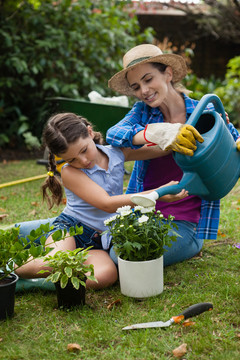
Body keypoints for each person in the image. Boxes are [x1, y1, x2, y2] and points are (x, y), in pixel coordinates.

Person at [15, 112, 189, 288]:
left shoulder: (117, 153)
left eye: (84, 150)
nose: (83, 161)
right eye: (71, 159)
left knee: (106, 275)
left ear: (90, 132)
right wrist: (157, 193)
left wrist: (178, 138)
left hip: (101, 240)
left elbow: (159, 149)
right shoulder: (70, 172)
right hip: (71, 230)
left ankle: (34, 283)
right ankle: (9, 269)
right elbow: (106, 204)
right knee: (52, 264)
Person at [106, 43, 240, 266]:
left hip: (184, 222)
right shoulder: (142, 112)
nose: (144, 91)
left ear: (168, 73)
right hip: (144, 212)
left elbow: (234, 141)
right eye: (136, 86)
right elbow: (114, 134)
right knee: (114, 252)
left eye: (148, 79)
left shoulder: (206, 113)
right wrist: (157, 133)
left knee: (127, 258)